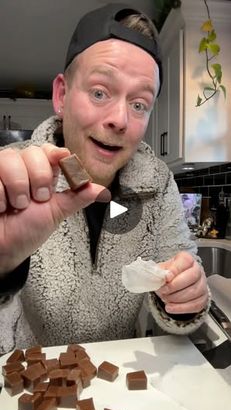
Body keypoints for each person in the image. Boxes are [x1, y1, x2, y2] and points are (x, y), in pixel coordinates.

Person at [0, 3, 210, 355]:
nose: (119, 119)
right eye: (100, 92)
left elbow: (182, 277)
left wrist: (186, 297)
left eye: (139, 104)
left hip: (124, 384)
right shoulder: (16, 182)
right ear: (62, 96)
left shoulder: (158, 187)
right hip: (35, 380)